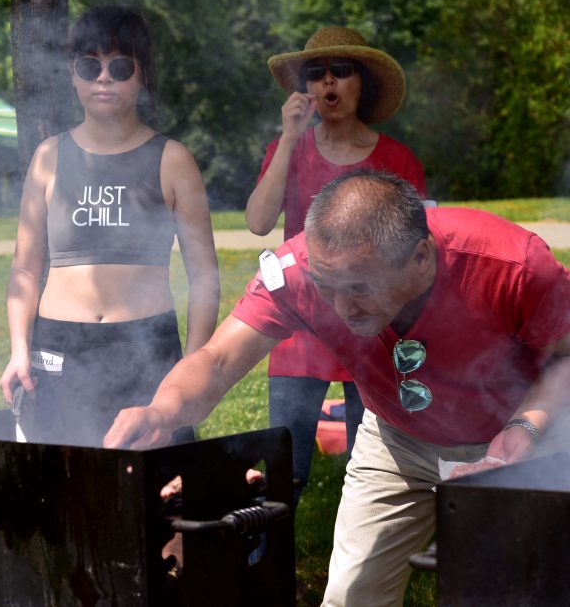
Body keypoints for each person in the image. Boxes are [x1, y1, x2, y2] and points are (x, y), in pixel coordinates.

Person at [105, 170, 570, 606]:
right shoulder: (301, 271)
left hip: (522, 437)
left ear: (420, 257)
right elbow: (219, 359)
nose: (342, 307)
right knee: (352, 595)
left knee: (520, 591)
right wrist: (161, 411)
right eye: (328, 286)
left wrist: (523, 432)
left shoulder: (512, 265)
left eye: (360, 288)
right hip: (397, 443)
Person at [0, 6, 220, 446]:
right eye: (90, 65)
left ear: (142, 76)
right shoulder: (48, 157)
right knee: (62, 488)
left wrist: (193, 366)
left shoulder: (173, 159)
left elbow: (205, 276)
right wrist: (19, 349)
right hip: (59, 351)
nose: (104, 78)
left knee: (151, 492)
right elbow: (25, 269)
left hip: (146, 352)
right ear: (72, 74)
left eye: (120, 67)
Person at [246, 26, 428, 503]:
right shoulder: (289, 149)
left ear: (361, 81)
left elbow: (420, 249)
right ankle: (267, 560)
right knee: (283, 466)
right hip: (300, 320)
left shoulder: (396, 158)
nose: (329, 82)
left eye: (341, 71)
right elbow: (258, 221)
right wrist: (287, 140)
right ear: (304, 89)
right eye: (316, 73)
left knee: (374, 469)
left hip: (371, 325)